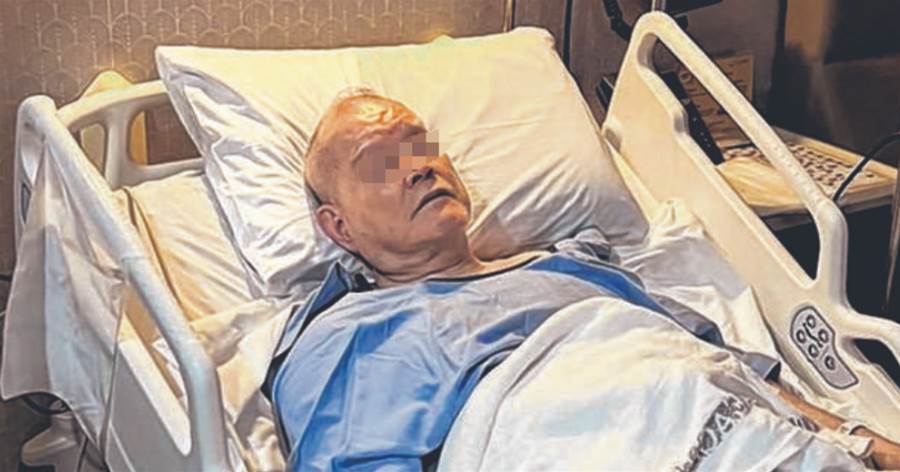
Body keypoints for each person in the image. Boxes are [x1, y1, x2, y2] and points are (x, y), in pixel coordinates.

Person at [265, 89, 900, 471]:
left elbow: (725, 373)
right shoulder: (350, 337)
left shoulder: (578, 267)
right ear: (338, 227)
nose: (418, 168)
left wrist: (861, 441)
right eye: (380, 164)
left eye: (419, 145)